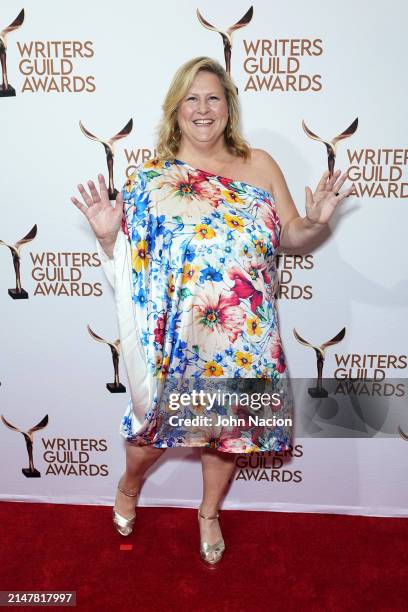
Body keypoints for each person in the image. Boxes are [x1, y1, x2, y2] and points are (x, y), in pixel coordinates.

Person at [71, 56, 352, 565]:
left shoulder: (261, 164)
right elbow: (128, 266)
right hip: (178, 335)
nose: (203, 109)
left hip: (244, 333)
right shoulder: (149, 179)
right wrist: (108, 233)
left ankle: (208, 513)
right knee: (153, 430)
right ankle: (130, 485)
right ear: (175, 110)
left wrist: (317, 221)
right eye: (191, 99)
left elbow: (291, 235)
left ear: (229, 107)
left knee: (226, 434)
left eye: (213, 98)